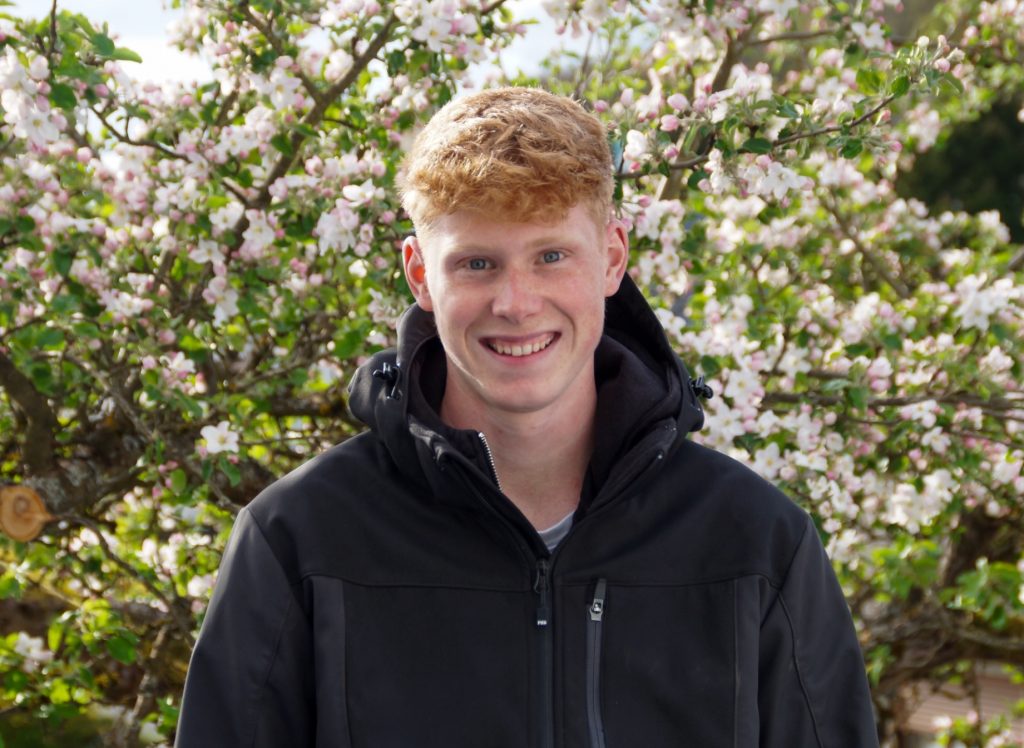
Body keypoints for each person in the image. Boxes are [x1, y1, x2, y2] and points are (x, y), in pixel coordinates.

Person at [175, 87, 879, 747]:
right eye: (477, 264)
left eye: (551, 255)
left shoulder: (757, 543)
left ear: (612, 258)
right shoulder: (298, 540)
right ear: (420, 274)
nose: (516, 303)